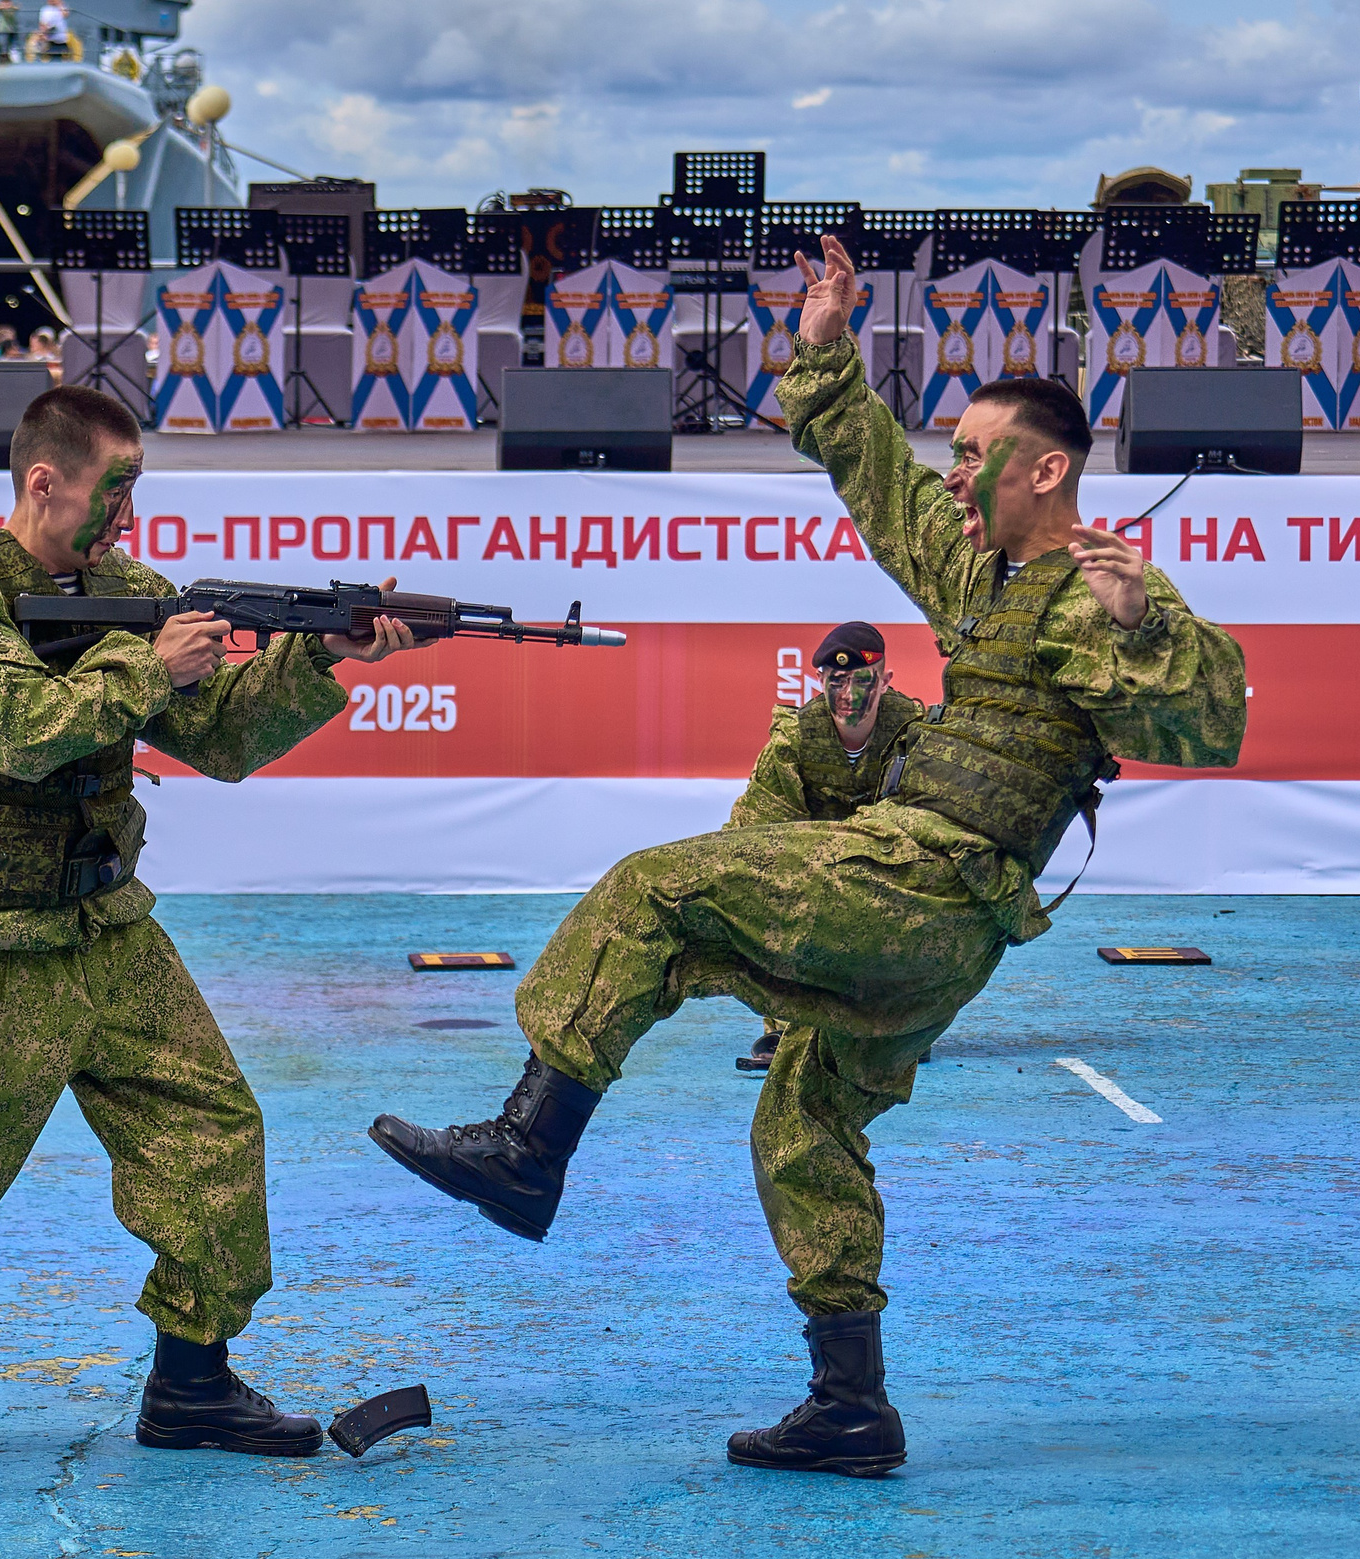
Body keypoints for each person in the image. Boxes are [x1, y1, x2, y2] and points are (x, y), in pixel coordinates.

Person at [368, 235, 1246, 1477]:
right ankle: (851, 1405)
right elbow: (880, 479)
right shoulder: (986, 578)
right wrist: (826, 346)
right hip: (941, 930)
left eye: (974, 459)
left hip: (929, 887)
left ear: (1046, 469)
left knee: (649, 887)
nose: (951, 480)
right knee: (803, 1121)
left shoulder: (1093, 603)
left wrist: (1149, 617)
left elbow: (1212, 724)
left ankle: (527, 1148)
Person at [0, 385, 426, 1473]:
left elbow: (215, 736)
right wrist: (143, 665)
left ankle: (192, 1384)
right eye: (109, 487)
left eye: (135, 487)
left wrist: (323, 657)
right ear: (45, 479)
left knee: (212, 1129)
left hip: (109, 927)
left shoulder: (128, 590)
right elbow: (17, 730)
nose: (124, 514)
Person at [732, 621, 923, 1073]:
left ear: (887, 681)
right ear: (819, 681)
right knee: (765, 891)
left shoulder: (915, 734)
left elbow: (936, 820)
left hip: (888, 869)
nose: (848, 695)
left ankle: (902, 1025)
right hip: (816, 870)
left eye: (863, 681)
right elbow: (756, 831)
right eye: (837, 681)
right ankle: (785, 1028)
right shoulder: (797, 738)